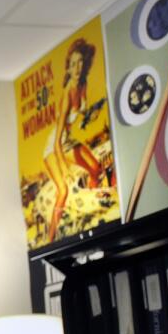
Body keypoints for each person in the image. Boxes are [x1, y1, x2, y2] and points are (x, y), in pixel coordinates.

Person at [43, 37, 104, 243]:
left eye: (80, 63)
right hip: (54, 146)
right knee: (63, 189)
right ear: (68, 68)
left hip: (68, 140)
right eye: (73, 64)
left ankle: (96, 210)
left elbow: (83, 114)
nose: (77, 68)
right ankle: (51, 238)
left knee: (96, 168)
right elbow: (57, 142)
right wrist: (65, 168)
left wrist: (91, 115)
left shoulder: (83, 83)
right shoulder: (67, 93)